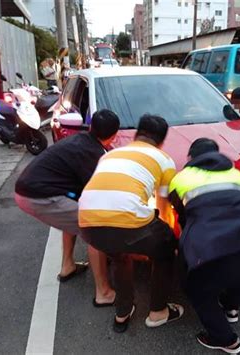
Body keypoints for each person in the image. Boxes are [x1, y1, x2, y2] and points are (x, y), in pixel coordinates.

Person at [168, 138, 240, 353]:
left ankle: (226, 340)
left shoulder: (181, 178)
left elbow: (181, 215)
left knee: (197, 290)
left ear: (191, 158)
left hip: (210, 241)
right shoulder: (237, 175)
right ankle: (231, 307)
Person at [78, 114, 184, 333]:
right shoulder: (164, 159)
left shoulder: (109, 155)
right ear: (162, 141)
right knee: (165, 249)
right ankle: (158, 312)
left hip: (88, 223)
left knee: (119, 255)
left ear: (137, 134)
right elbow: (163, 206)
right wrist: (158, 239)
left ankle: (123, 312)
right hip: (127, 220)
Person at [15, 109, 119, 306]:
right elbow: (95, 194)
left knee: (73, 214)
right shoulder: (92, 153)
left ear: (90, 127)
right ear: (114, 134)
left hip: (27, 189)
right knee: (94, 228)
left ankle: (67, 266)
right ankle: (103, 293)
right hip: (39, 196)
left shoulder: (82, 140)